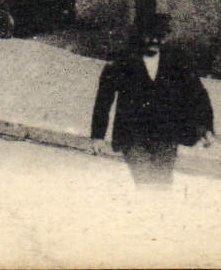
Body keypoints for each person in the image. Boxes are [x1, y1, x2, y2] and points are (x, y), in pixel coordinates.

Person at [91, 13, 214, 187]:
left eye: (160, 37)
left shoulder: (176, 60)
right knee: (145, 182)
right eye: (150, 36)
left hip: (166, 134)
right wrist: (97, 135)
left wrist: (206, 127)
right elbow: (104, 99)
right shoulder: (121, 61)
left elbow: (197, 93)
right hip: (133, 136)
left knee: (163, 182)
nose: (154, 41)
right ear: (139, 35)